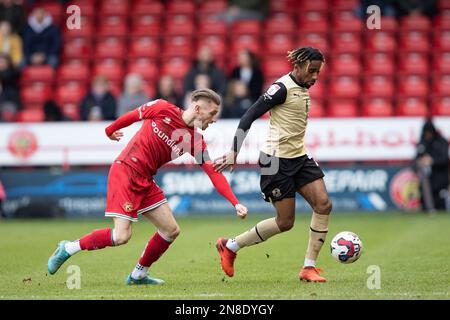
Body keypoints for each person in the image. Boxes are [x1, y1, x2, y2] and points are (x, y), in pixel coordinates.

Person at [47, 89, 248, 285]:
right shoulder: (162, 108)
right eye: (212, 113)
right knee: (121, 236)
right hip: (126, 170)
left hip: (145, 180)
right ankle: (69, 247)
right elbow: (134, 115)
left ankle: (138, 275)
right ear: (197, 108)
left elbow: (212, 172)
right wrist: (110, 130)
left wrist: (235, 203)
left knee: (170, 230)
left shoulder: (195, 141)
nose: (214, 119)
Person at [213, 47, 332, 282]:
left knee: (324, 204)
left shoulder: (303, 87)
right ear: (297, 66)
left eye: (319, 72)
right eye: (312, 71)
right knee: (285, 222)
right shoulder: (281, 88)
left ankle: (308, 267)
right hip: (274, 160)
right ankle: (231, 246)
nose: (315, 77)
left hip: (299, 157)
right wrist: (234, 150)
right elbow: (249, 115)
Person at [415, 119, 449, 212]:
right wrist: (422, 161)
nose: (427, 135)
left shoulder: (442, 142)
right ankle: (428, 208)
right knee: (424, 180)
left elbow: (444, 159)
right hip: (426, 177)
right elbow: (416, 160)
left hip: (440, 175)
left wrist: (432, 161)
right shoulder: (421, 143)